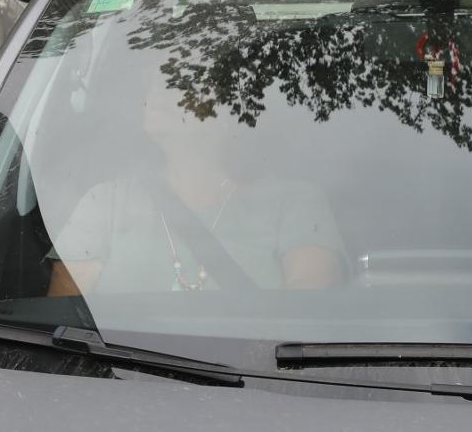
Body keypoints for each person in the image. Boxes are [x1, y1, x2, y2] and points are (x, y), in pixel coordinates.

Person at [48, 80, 344, 297]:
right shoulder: (105, 202)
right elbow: (65, 323)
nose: (158, 91)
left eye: (180, 78)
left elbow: (305, 317)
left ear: (232, 110)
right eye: (155, 79)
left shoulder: (295, 202)